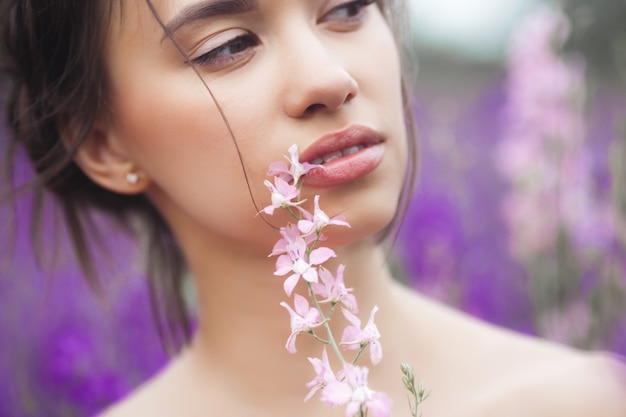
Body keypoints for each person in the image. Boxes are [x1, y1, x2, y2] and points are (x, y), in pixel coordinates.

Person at [1, 1, 625, 416]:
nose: (329, 77)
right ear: (103, 145)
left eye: (347, 8)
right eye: (228, 45)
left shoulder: (585, 401)